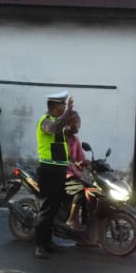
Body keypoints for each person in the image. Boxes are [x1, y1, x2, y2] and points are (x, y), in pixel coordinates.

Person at [33, 91, 77, 259]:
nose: (64, 108)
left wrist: (73, 160)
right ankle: (39, 245)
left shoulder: (58, 124)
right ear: (55, 107)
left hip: (59, 171)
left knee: (55, 209)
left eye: (65, 106)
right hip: (48, 170)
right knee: (46, 209)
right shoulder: (45, 122)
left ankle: (48, 242)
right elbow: (54, 128)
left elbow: (60, 147)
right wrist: (67, 114)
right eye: (62, 106)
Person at [63, 111, 89, 231]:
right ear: (67, 124)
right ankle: (72, 219)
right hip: (64, 175)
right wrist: (75, 162)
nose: (77, 126)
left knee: (91, 193)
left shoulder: (75, 140)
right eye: (75, 123)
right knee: (81, 190)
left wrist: (89, 163)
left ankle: (86, 225)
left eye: (78, 124)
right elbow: (66, 156)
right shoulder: (60, 138)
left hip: (75, 175)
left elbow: (81, 158)